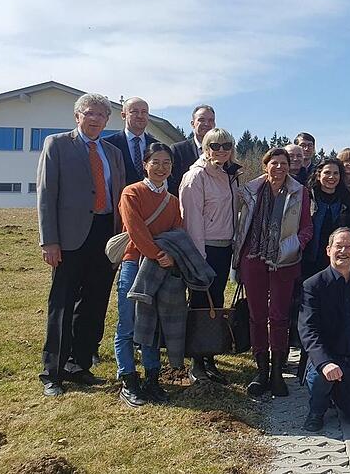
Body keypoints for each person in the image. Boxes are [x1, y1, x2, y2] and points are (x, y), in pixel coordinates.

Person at [37, 93, 126, 396]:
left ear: (107, 120)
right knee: (62, 304)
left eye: (101, 115)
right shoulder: (57, 144)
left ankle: (80, 365)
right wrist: (49, 240)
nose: (95, 119)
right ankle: (53, 372)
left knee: (94, 303)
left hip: (105, 235)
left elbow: (119, 197)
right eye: (90, 113)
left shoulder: (113, 152)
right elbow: (46, 195)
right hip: (69, 238)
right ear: (77, 116)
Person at [234, 148, 314, 398]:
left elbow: (307, 228)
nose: (279, 168)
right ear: (265, 166)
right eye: (274, 163)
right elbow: (239, 222)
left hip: (285, 261)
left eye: (283, 163)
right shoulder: (250, 190)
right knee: (257, 315)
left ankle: (278, 371)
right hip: (253, 258)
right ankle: (262, 371)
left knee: (279, 316)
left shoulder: (300, 192)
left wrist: (293, 246)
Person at [114, 143, 182, 407]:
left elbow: (177, 232)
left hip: (160, 266)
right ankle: (128, 380)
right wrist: (158, 253)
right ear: (145, 164)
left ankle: (152, 378)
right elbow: (135, 229)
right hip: (135, 263)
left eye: (167, 163)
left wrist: (171, 256)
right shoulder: (131, 192)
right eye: (156, 162)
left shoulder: (172, 201)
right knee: (128, 324)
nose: (161, 168)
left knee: (152, 324)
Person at [178, 127, 243, 384]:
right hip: (205, 249)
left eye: (226, 145)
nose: (221, 150)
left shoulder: (231, 175)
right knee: (200, 303)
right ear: (206, 147)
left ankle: (210, 357)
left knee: (216, 302)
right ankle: (196, 361)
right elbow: (191, 218)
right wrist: (198, 258)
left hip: (224, 247)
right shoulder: (196, 176)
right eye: (215, 145)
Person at [299, 228, 350, 431]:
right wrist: (325, 363)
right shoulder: (312, 285)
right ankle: (317, 410)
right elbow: (308, 330)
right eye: (338, 246)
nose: (343, 251)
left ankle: (338, 394)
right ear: (328, 250)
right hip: (326, 358)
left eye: (349, 246)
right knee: (323, 377)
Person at [304, 158, 350, 277]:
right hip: (309, 259)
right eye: (327, 172)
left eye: (336, 173)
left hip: (338, 261)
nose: (332, 177)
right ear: (318, 175)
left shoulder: (348, 202)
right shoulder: (307, 198)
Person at [106, 97, 160, 187]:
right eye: (134, 111)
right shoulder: (108, 144)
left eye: (144, 112)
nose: (140, 116)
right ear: (123, 115)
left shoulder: (157, 146)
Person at [168, 105, 216, 195]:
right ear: (192, 123)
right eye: (201, 120)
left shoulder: (222, 151)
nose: (206, 124)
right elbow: (172, 184)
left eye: (211, 120)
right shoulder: (178, 150)